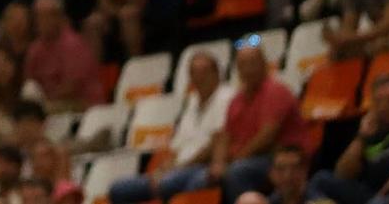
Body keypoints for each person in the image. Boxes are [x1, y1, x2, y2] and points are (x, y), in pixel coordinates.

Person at [109, 52, 231, 204]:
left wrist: (178, 168)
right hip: (177, 169)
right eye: (193, 73)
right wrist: (162, 170)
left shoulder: (226, 97)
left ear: (216, 74)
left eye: (203, 73)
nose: (198, 79)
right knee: (119, 189)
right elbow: (175, 148)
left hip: (200, 167)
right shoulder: (192, 102)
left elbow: (215, 145)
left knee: (168, 183)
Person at [214, 42, 321, 201]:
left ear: (264, 65)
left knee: (237, 171)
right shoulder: (236, 99)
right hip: (251, 159)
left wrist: (235, 160)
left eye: (252, 63)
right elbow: (224, 135)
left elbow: (267, 136)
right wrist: (218, 163)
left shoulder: (275, 90)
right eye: (243, 65)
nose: (248, 70)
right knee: (187, 180)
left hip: (283, 158)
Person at [308, 74, 389, 204]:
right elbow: (342, 174)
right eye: (378, 101)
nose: (384, 106)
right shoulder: (371, 131)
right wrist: (361, 137)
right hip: (370, 194)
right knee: (320, 179)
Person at [25, 0, 104, 113]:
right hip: (49, 103)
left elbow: (71, 87)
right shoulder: (35, 48)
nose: (40, 22)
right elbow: (29, 81)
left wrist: (45, 101)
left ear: (58, 17)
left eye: (45, 16)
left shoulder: (73, 45)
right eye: (37, 17)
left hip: (82, 104)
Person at [232, 142, 310, 204]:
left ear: (304, 171)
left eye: (295, 168)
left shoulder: (317, 196)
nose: (287, 175)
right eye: (281, 169)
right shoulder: (264, 202)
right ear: (271, 174)